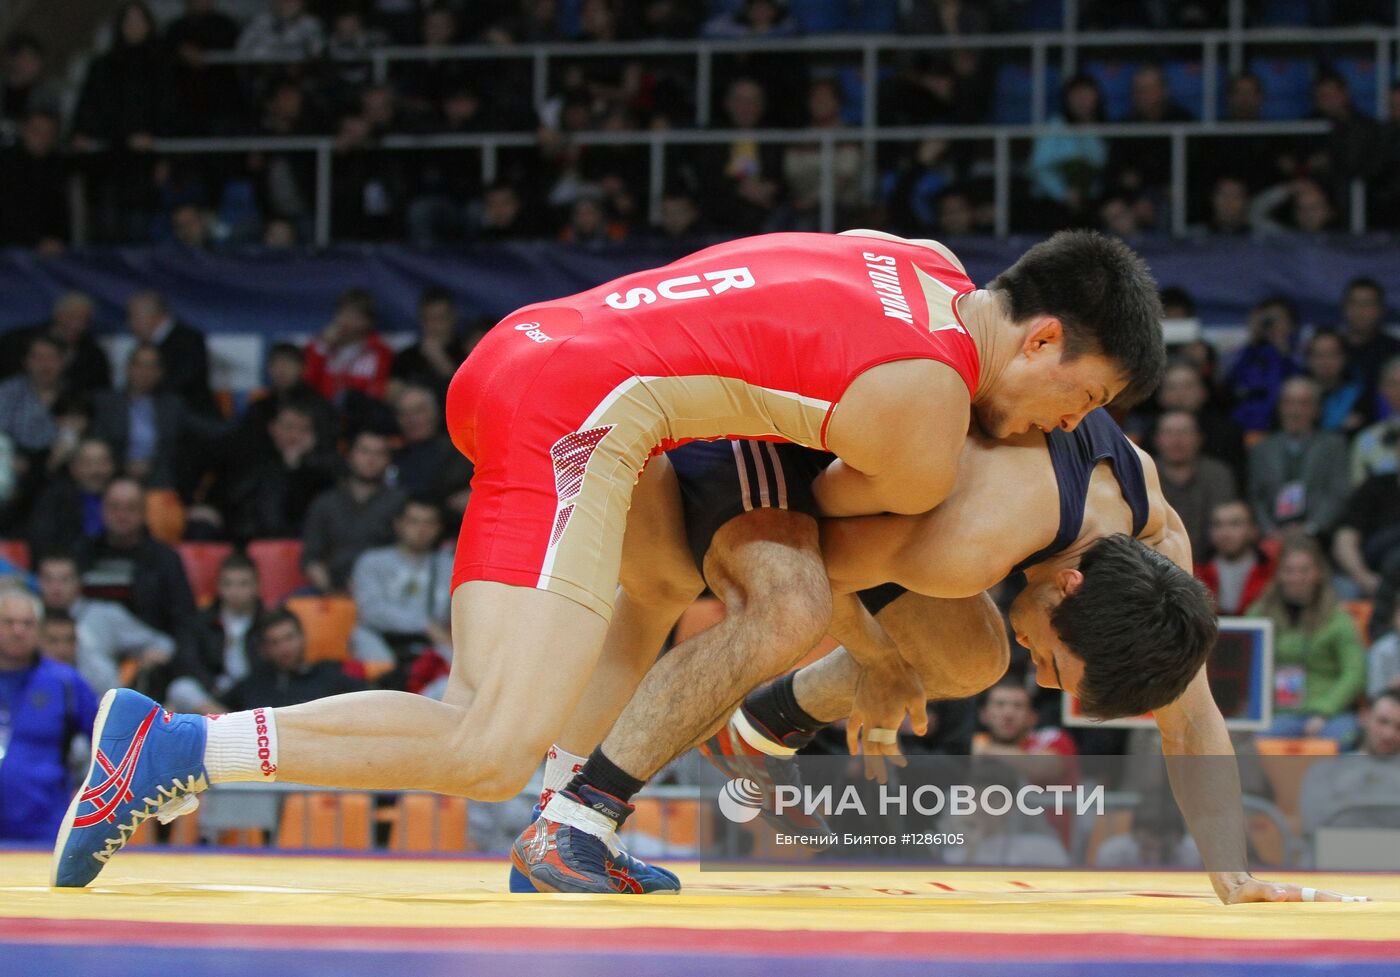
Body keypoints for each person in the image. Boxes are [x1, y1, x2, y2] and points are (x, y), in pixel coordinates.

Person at [53, 228, 1166, 891]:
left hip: (532, 348)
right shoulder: (923, 417)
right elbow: (823, 545)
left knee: (656, 580)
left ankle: (567, 818)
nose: (1055, 424)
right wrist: (867, 662)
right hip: (576, 418)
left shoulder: (915, 263)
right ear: (1040, 340)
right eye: (1083, 395)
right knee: (484, 739)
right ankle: (167, 746)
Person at [539, 403, 1327, 902]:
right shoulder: (977, 530)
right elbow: (822, 560)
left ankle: (766, 717)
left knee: (976, 660)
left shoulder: (1158, 548)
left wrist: (1233, 870)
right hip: (789, 444)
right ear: (1068, 589)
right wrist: (880, 665)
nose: (1041, 674)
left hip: (891, 472)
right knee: (740, 599)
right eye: (1055, 663)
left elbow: (1190, 717)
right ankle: (583, 804)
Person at [1247, 538, 1366, 745]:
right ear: (1279, 574)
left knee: (1336, 741)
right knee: (1256, 745)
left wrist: (1324, 710)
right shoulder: (1259, 613)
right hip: (1276, 713)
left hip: (1330, 712)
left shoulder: (1338, 619)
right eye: (1289, 570)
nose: (1296, 577)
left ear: (1318, 573)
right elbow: (1242, 658)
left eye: (1304, 570)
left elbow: (1355, 673)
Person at [0, 590, 98, 842]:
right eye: (8, 622)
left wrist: (91, 799)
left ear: (40, 630)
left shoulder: (65, 682)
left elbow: (108, 744)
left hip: (44, 832)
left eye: (27, 624)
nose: (18, 630)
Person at [36, 552, 174, 698]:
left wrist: (148, 659)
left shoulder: (106, 614)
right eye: (49, 580)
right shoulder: (25, 616)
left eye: (64, 580)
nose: (56, 588)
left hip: (100, 699)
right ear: (38, 581)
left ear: (79, 581)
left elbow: (162, 643)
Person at [75, 477, 197, 636]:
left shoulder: (165, 559)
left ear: (144, 513)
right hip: (89, 640)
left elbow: (183, 618)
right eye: (114, 507)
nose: (121, 515)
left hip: (150, 646)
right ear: (102, 510)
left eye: (130, 508)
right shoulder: (82, 553)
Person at [350, 496, 454, 674]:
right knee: (362, 638)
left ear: (439, 528)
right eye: (413, 522)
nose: (421, 530)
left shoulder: (450, 565)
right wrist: (423, 624)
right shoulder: (372, 562)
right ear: (398, 524)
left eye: (429, 523)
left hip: (430, 644)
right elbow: (371, 611)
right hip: (380, 640)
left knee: (460, 665)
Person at [217, 402, 338, 543]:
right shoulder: (251, 459)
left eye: (303, 429)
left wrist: (295, 468)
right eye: (289, 427)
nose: (295, 435)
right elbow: (233, 498)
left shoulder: (326, 467)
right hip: (252, 541)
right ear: (273, 428)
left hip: (304, 543)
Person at [300, 429, 405, 592]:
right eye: (364, 451)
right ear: (349, 456)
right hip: (331, 589)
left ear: (389, 461)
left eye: (379, 453)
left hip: (387, 588)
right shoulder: (326, 502)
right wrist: (330, 589)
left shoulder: (401, 502)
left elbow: (409, 554)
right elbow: (311, 557)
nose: (371, 459)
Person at [167, 554, 272, 714]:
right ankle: (230, 723)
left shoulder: (268, 622)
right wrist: (211, 685)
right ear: (219, 586)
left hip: (253, 693)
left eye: (243, 584)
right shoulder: (202, 621)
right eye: (228, 584)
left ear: (257, 586)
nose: (235, 591)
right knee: (181, 689)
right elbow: (187, 661)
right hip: (214, 693)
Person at [1246, 377, 1350, 539]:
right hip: (1272, 535)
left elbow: (1338, 493)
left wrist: (1311, 528)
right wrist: (1269, 531)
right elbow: (1256, 497)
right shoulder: (1262, 449)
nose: (1295, 410)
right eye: (1288, 402)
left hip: (1320, 535)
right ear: (1280, 407)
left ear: (1317, 409)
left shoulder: (1334, 445)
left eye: (1303, 403)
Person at [1298, 690, 1400, 838]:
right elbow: (1313, 828)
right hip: (1338, 854)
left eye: (1399, 727)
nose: (1389, 734)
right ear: (1364, 717)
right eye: (1382, 721)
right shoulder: (1325, 770)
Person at [222, 609, 365, 711]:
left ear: (302, 637)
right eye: (275, 642)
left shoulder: (328, 676)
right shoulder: (253, 683)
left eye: (289, 638)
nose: (284, 648)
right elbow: (216, 711)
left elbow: (367, 699)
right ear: (264, 649)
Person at [1152, 410, 1237, 560]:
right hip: (1155, 561)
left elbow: (1225, 523)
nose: (1177, 440)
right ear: (1157, 440)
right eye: (1169, 433)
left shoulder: (1218, 474)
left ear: (1199, 438)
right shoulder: (1144, 473)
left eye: (1184, 432)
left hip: (1211, 561)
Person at [125, 290, 216, 416]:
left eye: (133, 317)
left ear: (152, 316)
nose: (131, 324)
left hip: (193, 419)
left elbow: (186, 381)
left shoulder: (189, 340)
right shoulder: (144, 346)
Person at [0, 291, 110, 394]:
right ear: (57, 315)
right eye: (71, 317)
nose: (76, 325)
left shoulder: (94, 356)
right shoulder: (17, 341)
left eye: (83, 319)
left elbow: (100, 392)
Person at [1331, 434, 1400, 599]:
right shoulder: (1374, 487)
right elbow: (1345, 538)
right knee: (1344, 589)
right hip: (1372, 573)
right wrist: (1363, 577)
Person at [27, 439, 117, 559]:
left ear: (112, 466)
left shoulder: (124, 495)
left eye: (102, 462)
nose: (95, 471)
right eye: (87, 463)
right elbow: (42, 540)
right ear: (73, 468)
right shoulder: (55, 498)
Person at [302, 288, 394, 405]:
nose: (346, 321)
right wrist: (323, 347)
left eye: (355, 316)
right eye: (343, 313)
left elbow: (378, 392)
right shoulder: (318, 347)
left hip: (360, 417)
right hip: (320, 415)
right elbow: (306, 384)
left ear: (369, 322)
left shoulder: (381, 352)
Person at [389, 386, 473, 514]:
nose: (412, 419)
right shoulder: (390, 454)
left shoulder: (459, 451)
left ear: (435, 412)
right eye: (404, 413)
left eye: (419, 411)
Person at [1226, 298, 1302, 433]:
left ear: (1292, 325)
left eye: (1278, 319)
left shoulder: (1300, 355)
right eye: (1268, 321)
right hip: (1244, 425)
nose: (1272, 325)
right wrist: (1252, 340)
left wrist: (1283, 353)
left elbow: (1299, 385)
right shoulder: (1249, 354)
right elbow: (1232, 385)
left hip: (1281, 427)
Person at [1194, 501, 1275, 615]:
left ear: (1253, 530)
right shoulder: (1195, 573)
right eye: (1218, 525)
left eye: (1235, 524)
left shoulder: (1271, 572)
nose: (1225, 533)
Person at [390, 288, 467, 403]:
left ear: (453, 317)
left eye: (441, 318)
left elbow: (467, 395)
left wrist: (440, 361)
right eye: (429, 319)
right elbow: (391, 395)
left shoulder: (467, 352)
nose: (435, 326)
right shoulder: (406, 356)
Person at [1336, 277, 1400, 400]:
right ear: (1344, 307)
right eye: (1354, 303)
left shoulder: (1395, 350)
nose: (1360, 311)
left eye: (1367, 304)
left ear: (1381, 309)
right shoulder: (1330, 348)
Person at [1304, 331, 1368, 435]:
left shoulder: (1359, 394)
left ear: (1344, 358)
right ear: (1309, 359)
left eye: (1331, 354)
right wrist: (1340, 428)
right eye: (1319, 355)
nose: (1325, 361)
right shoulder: (1295, 393)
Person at [1350, 357, 1400, 484]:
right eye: (1393, 384)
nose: (1398, 390)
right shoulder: (1367, 438)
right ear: (1382, 389)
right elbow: (1359, 488)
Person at [1368, 605, 1400, 700]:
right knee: (1384, 708)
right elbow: (1374, 692)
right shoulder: (1381, 649)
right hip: (1393, 701)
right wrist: (1392, 686)